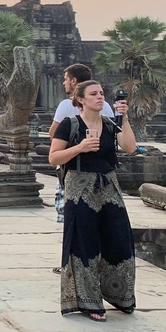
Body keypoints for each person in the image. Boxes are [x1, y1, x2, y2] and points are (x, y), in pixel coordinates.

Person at [49, 80, 137, 322]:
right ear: (81, 100)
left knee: (119, 240)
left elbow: (130, 147)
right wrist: (81, 147)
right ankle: (89, 302)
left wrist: (124, 118)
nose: (100, 97)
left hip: (108, 186)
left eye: (102, 93)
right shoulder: (70, 124)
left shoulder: (110, 124)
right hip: (79, 188)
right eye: (94, 94)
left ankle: (121, 296)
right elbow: (53, 156)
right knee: (84, 244)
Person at [49, 64, 115, 224]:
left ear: (73, 81)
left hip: (73, 167)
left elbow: (53, 133)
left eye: (65, 79)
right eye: (94, 93)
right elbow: (112, 138)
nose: (64, 83)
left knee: (69, 215)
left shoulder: (66, 105)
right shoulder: (105, 106)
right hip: (102, 171)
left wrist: (72, 147)